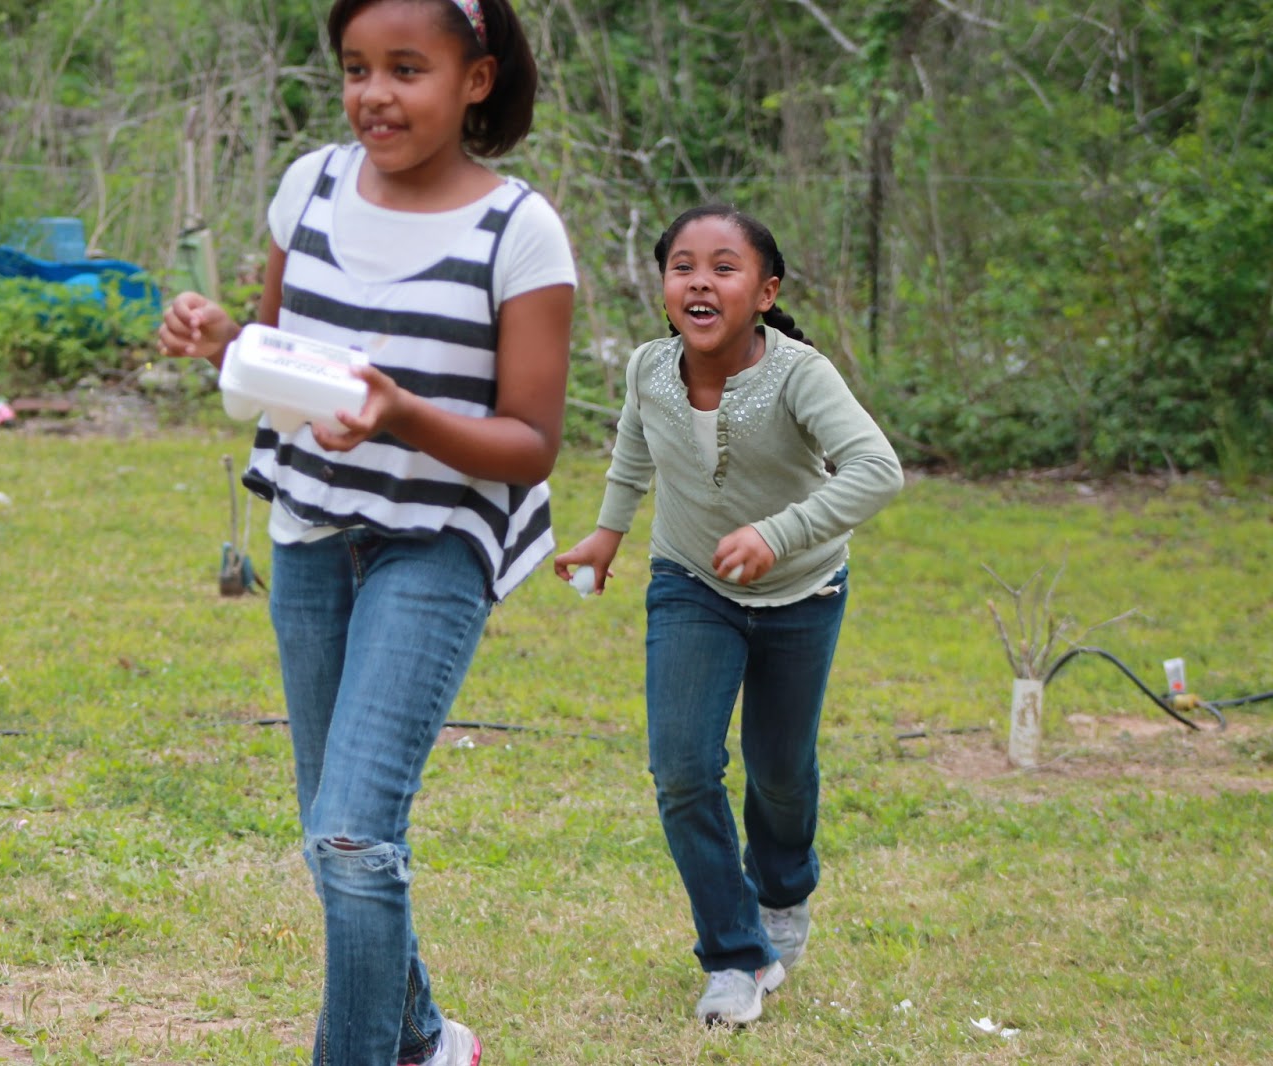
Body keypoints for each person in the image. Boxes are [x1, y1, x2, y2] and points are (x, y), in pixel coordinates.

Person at [157, 0, 575, 1062]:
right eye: (355, 69)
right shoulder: (309, 186)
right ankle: (428, 1041)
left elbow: (530, 443)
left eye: (405, 69)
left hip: (436, 541)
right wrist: (222, 339)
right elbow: (278, 360)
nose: (374, 95)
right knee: (336, 836)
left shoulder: (519, 231)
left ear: (475, 79)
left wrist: (400, 414)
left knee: (351, 834)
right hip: (308, 530)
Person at [554, 204, 902, 1027]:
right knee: (681, 768)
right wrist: (608, 532)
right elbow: (634, 447)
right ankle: (735, 954)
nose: (699, 282)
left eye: (723, 267)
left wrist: (778, 535)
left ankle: (782, 889)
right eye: (682, 266)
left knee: (779, 769)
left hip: (803, 592)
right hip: (690, 582)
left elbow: (877, 469)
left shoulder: (800, 375)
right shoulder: (648, 367)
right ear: (663, 288)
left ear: (766, 292)